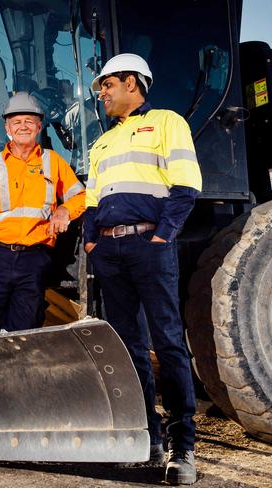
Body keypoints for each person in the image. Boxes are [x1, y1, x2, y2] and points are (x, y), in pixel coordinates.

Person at [83, 53, 202, 485]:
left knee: (168, 343)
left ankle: (181, 446)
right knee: (128, 348)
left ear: (132, 82)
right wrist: (92, 242)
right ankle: (147, 437)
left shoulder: (168, 122)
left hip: (149, 246)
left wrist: (161, 237)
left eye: (107, 85)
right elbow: (92, 202)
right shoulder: (102, 142)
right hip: (110, 251)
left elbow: (186, 186)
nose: (102, 94)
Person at [0, 91, 86, 334]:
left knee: (26, 333)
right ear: (7, 128)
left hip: (34, 260)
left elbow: (81, 195)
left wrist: (63, 210)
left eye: (29, 121)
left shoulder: (53, 162)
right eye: (16, 122)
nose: (23, 127)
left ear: (39, 126)